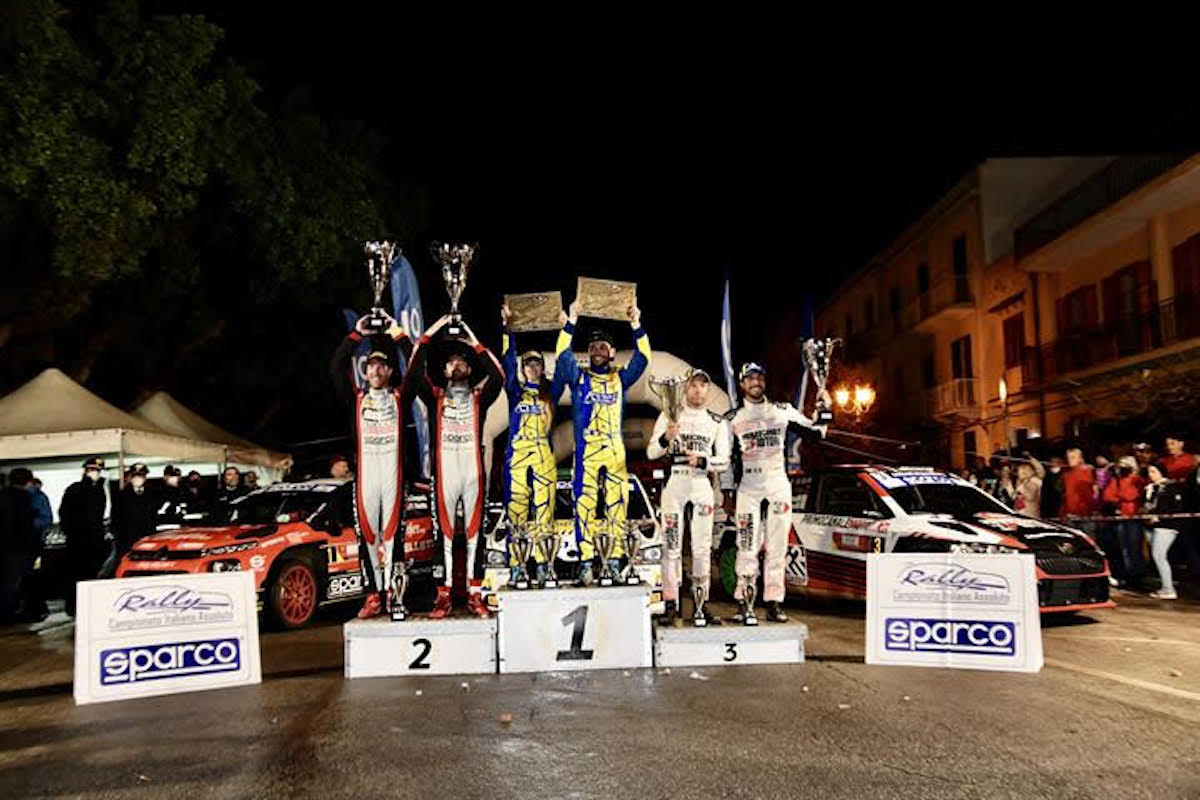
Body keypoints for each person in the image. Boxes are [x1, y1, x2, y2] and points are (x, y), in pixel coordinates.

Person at [403, 314, 504, 618]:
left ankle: (475, 595)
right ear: (444, 371)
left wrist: (473, 341)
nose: (456, 365)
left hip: (473, 474)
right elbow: (413, 372)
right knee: (443, 535)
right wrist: (431, 333)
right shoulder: (434, 396)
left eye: (462, 362)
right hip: (445, 475)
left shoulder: (479, 397)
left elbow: (498, 377)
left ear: (470, 370)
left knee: (475, 535)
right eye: (450, 363)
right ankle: (443, 597)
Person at [554, 299, 651, 585]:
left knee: (617, 505)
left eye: (603, 347)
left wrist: (635, 323)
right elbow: (562, 355)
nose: (597, 350)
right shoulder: (578, 377)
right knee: (584, 506)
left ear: (612, 353)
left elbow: (644, 357)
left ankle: (614, 561)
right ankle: (585, 562)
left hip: (615, 451)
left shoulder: (621, 378)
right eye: (593, 347)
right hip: (587, 451)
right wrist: (571, 322)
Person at [727, 362, 827, 624]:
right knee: (746, 545)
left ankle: (774, 602)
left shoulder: (782, 410)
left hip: (777, 485)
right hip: (748, 488)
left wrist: (824, 409)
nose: (756, 382)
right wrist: (726, 492)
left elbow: (816, 433)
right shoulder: (733, 418)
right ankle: (744, 601)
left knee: (778, 547)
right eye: (750, 378)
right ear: (742, 384)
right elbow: (725, 458)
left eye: (760, 377)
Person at [331, 311, 413, 619]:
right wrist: (357, 335)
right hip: (365, 478)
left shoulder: (400, 396)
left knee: (394, 537)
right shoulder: (356, 398)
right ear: (364, 372)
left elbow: (417, 365)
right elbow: (336, 368)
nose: (376, 370)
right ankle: (373, 595)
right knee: (366, 536)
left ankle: (395, 594)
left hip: (393, 476)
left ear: (390, 371)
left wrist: (397, 334)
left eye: (381, 365)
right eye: (371, 366)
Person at [647, 369, 729, 626]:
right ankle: (671, 604)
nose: (697, 390)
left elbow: (724, 461)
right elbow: (651, 452)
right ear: (685, 388)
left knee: (702, 548)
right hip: (676, 483)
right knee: (671, 547)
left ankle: (701, 605)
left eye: (703, 386)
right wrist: (666, 437)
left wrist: (703, 460)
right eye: (693, 385)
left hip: (701, 484)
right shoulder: (669, 415)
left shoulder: (717, 421)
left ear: (708, 390)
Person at [499, 303, 565, 583]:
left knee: (544, 508)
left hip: (542, 451)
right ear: (523, 368)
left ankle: (543, 562)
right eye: (528, 363)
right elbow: (506, 358)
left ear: (542, 367)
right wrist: (508, 329)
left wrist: (565, 327)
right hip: (518, 451)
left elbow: (564, 365)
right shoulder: (515, 390)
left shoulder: (552, 391)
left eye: (537, 363)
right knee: (516, 508)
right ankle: (517, 564)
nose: (532, 367)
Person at [59, 457, 109, 615]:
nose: (95, 473)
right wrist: (73, 533)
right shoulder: (76, 489)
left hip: (94, 540)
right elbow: (65, 514)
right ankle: (74, 606)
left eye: (97, 471)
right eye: (92, 470)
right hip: (79, 541)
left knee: (91, 574)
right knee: (76, 575)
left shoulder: (99, 490)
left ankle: (87, 606)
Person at [1102, 455, 1146, 590]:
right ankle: (1128, 576)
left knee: (1134, 549)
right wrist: (1120, 495)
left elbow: (1131, 495)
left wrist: (1119, 494)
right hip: (1121, 518)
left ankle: (1137, 577)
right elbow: (1107, 495)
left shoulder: (1137, 480)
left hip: (1133, 518)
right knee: (1124, 549)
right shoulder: (1116, 479)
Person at [1144, 462, 1187, 600]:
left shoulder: (1170, 487)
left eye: (1153, 471)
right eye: (1149, 472)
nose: (1151, 475)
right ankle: (1165, 586)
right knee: (1157, 556)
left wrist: (1159, 516)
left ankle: (1168, 589)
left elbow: (1176, 507)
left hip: (1166, 526)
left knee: (1159, 555)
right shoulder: (1150, 488)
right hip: (1152, 526)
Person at [0, 469, 36, 622]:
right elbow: (25, 525)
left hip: (5, 546)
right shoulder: (23, 498)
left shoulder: (3, 496)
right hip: (18, 547)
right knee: (16, 581)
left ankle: (6, 612)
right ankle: (9, 613)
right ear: (27, 482)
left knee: (6, 581)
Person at [110, 463, 156, 576]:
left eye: (141, 476)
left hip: (148, 537)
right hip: (128, 540)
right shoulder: (121, 496)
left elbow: (154, 515)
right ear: (131, 477)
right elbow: (116, 517)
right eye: (135, 476)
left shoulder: (152, 494)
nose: (138, 479)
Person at [155, 465, 186, 530]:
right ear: (165, 477)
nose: (175, 478)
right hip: (160, 527)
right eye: (172, 476)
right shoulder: (157, 493)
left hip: (178, 527)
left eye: (177, 476)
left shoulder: (182, 492)